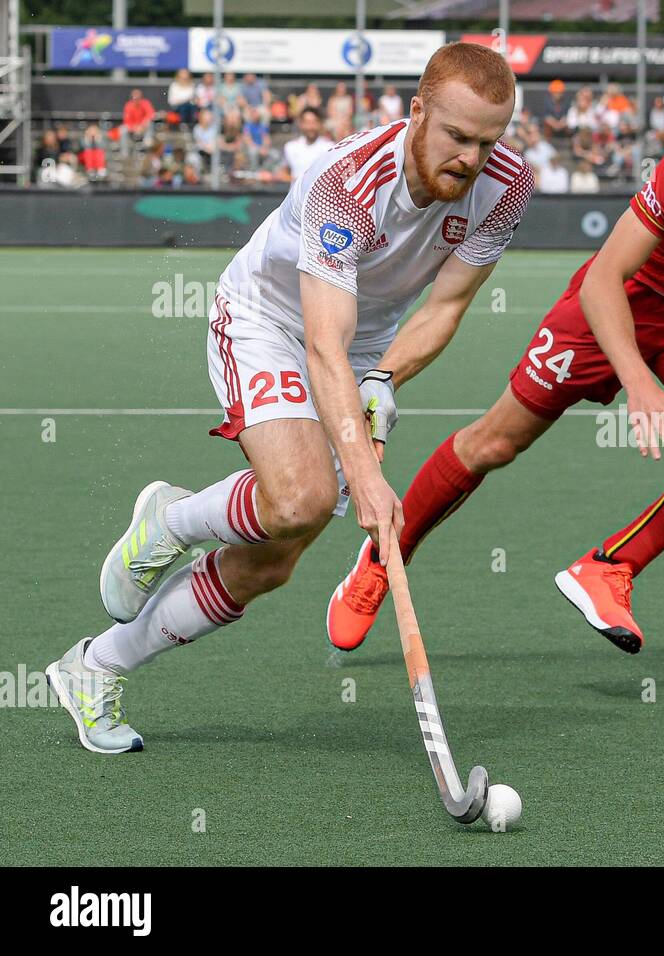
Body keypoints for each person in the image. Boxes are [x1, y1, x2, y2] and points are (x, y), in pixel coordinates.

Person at [46, 43, 534, 755]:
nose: (472, 157)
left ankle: (93, 667)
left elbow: (443, 309)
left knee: (272, 560)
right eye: (457, 136)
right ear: (417, 113)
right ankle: (174, 520)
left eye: (489, 142)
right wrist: (365, 475)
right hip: (269, 321)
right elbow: (321, 345)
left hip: (360, 347)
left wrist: (385, 380)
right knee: (301, 498)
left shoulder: (508, 186)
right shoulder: (345, 182)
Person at [325, 50, 664, 659]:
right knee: (494, 443)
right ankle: (381, 559)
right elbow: (604, 276)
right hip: (618, 301)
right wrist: (638, 381)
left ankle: (610, 567)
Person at [278, 107, 334, 182]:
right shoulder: (290, 147)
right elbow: (283, 173)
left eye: (314, 122)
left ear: (320, 124)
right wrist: (298, 183)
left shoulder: (330, 147)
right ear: (301, 124)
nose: (310, 127)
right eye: (307, 122)